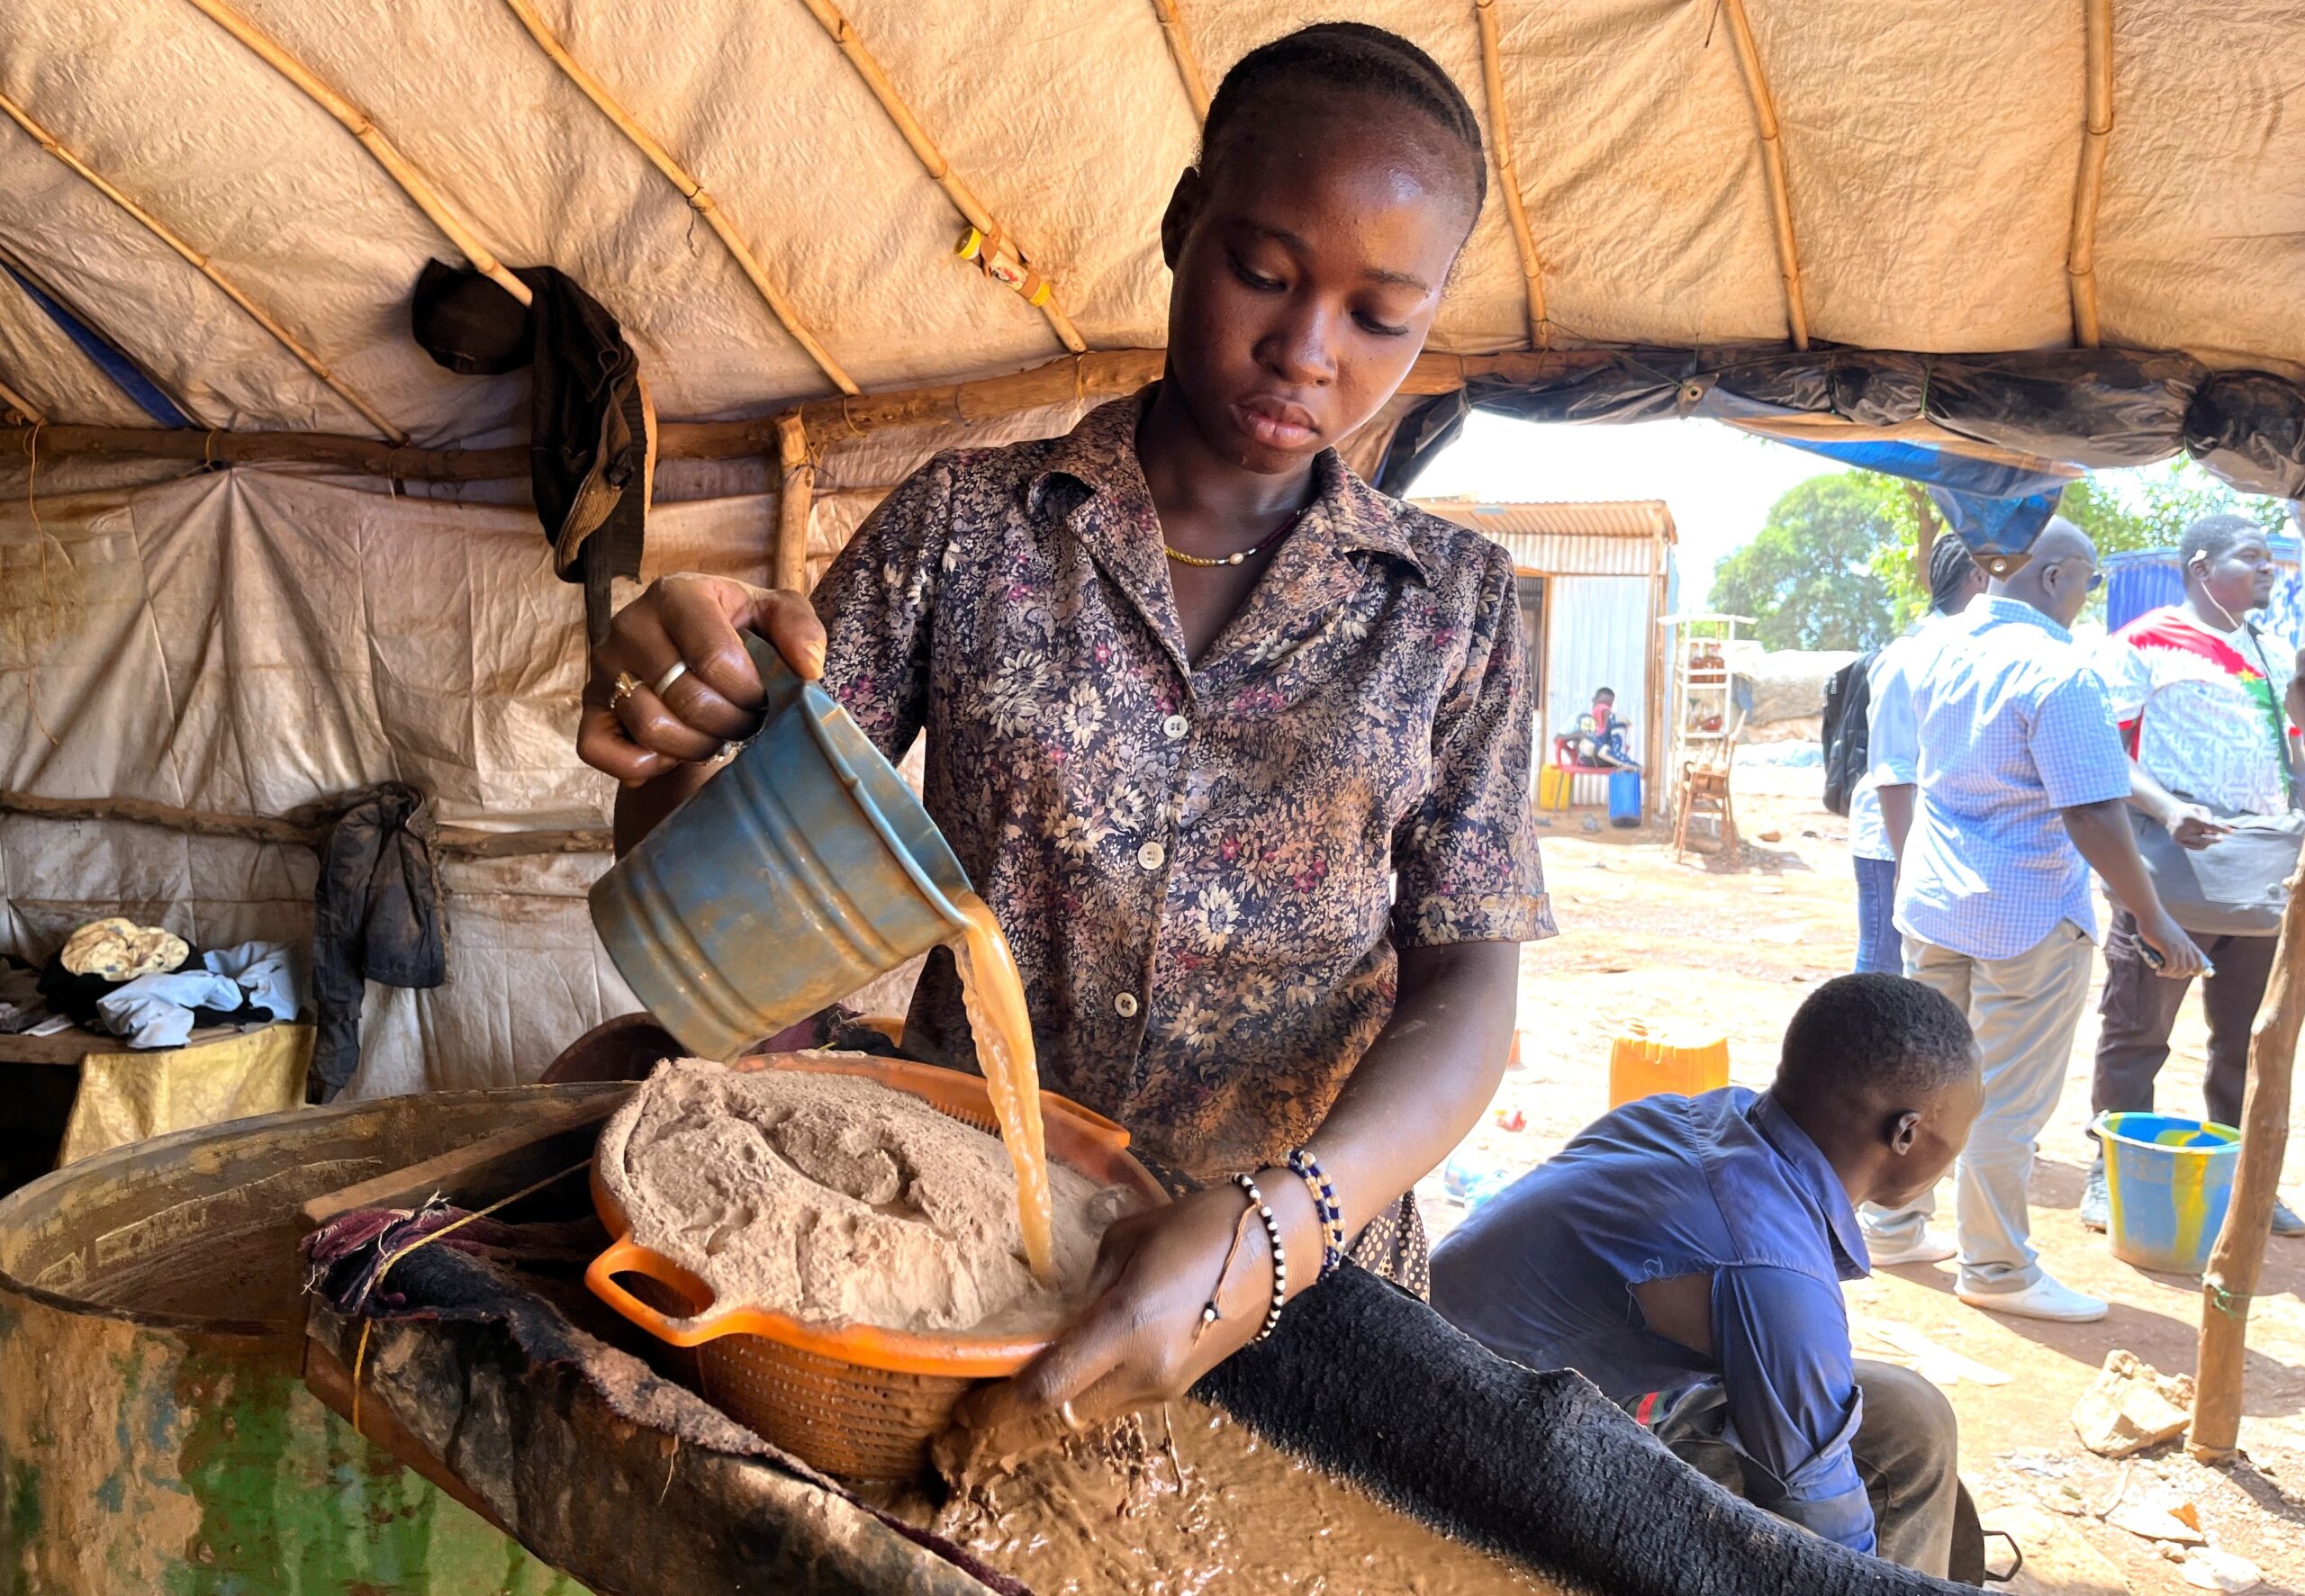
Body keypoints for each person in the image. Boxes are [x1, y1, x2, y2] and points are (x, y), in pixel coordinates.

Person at [575, 25, 1551, 1438]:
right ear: (1180, 225)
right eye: (1262, 275)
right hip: (947, 1251)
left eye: (1380, 317)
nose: (1304, 351)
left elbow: (1468, 996)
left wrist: (1281, 1227)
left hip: (1290, 1289)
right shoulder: (967, 526)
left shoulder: (1452, 608)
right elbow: (726, 880)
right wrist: (674, 728)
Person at [1429, 974, 1984, 1574]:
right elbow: (1826, 1537)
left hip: (1487, 1379)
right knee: (1841, 1518)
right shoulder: (1768, 1265)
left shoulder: (1698, 1120)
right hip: (1477, 1454)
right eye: (1962, 1126)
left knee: (1908, 1413)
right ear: (1905, 1132)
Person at [1867, 518, 2206, 1323]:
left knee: (1926, 1079)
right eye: (2088, 582)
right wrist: (2153, 919)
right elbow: (2092, 814)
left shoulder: (1934, 650)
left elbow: (1912, 776)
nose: (2088, 600)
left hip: (1937, 902)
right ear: (2056, 576)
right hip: (2025, 914)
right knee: (2003, 1099)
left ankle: (1890, 1221)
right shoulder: (2060, 670)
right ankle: (1995, 1265)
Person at [2084, 513, 2305, 1236]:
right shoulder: (2142, 642)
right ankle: (2106, 1175)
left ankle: (2248, 1182)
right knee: (2137, 1033)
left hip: (2261, 881)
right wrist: (2169, 807)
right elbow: (2101, 754)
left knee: (2250, 1040)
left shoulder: (2276, 654)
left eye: (2271, 557)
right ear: (2202, 566)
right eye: (2252, 556)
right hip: (2173, 875)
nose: (2268, 567)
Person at [1849, 539, 1988, 974]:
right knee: (1883, 966)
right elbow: (1892, 772)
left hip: (1928, 844)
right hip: (1892, 843)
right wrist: (1908, 865)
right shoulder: (1909, 654)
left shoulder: (1963, 649)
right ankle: (1857, 1044)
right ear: (1979, 577)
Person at [1570, 686, 1639, 769]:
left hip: (1608, 758)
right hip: (1591, 759)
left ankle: (1623, 761)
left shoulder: (1610, 721)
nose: (1604, 708)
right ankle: (1626, 762)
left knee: (1617, 720)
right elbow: (1560, 739)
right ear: (1593, 700)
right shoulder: (1583, 719)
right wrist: (1577, 737)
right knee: (1584, 739)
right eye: (1601, 703)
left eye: (1608, 705)